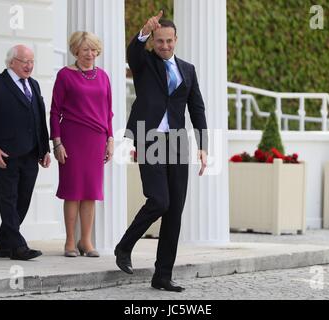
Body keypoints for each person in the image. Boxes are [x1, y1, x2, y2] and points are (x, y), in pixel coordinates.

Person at [114, 11, 208, 292]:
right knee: (159, 200)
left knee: (175, 211)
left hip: (178, 143)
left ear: (176, 39)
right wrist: (142, 32)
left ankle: (162, 275)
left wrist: (203, 145)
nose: (164, 46)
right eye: (159, 41)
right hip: (150, 139)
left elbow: (197, 108)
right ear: (153, 41)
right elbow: (133, 52)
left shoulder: (188, 69)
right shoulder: (145, 63)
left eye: (169, 41)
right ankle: (124, 246)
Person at [0, 45, 51, 260]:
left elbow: (40, 119)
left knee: (23, 200)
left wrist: (44, 149)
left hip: (31, 153)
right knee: (8, 199)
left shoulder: (34, 85)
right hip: (5, 154)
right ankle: (18, 247)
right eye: (24, 61)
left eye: (32, 61)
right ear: (11, 62)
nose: (29, 66)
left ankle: (3, 244)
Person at [50, 31, 114, 258]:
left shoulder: (104, 76)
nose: (90, 54)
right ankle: (69, 241)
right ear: (76, 50)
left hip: (97, 140)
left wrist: (110, 139)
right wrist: (57, 143)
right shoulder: (65, 75)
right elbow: (55, 110)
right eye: (85, 49)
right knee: (73, 191)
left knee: (91, 192)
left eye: (93, 49)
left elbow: (108, 112)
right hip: (72, 139)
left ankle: (86, 241)